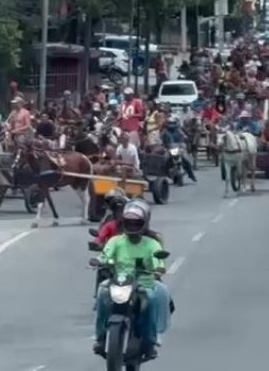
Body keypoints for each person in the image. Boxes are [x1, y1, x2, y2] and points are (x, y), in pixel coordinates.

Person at [94, 200, 171, 360]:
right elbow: (105, 254)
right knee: (102, 293)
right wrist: (100, 261)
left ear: (144, 223)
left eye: (137, 222)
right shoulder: (115, 241)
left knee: (151, 299)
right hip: (118, 282)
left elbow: (158, 259)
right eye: (129, 222)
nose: (132, 225)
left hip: (144, 283)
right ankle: (100, 337)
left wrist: (158, 268)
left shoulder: (152, 243)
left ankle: (151, 341)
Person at [160, 116, 196, 182]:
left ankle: (191, 174)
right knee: (164, 161)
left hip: (179, 148)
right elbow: (161, 139)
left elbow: (184, 136)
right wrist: (163, 143)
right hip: (169, 149)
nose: (171, 124)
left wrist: (185, 138)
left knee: (187, 160)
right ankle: (164, 174)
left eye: (173, 123)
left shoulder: (179, 130)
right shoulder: (165, 132)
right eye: (170, 123)